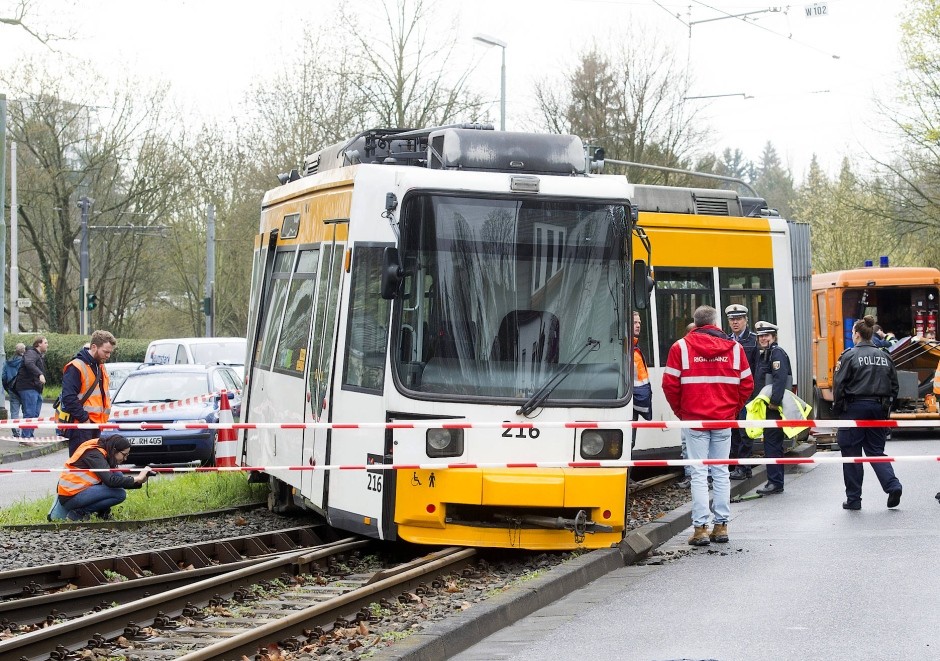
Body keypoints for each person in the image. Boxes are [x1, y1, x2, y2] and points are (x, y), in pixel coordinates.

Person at [663, 305, 753, 546]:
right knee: (721, 472)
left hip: (694, 420)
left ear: (696, 322)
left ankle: (700, 528)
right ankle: (721, 526)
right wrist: (732, 410)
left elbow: (669, 385)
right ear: (716, 323)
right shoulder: (734, 348)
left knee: (699, 474)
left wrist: (682, 412)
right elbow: (747, 384)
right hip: (723, 420)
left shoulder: (680, 348)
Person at [832, 315, 902, 510]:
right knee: (876, 452)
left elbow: (839, 385)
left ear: (856, 335)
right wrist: (886, 410)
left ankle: (854, 500)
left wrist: (838, 410)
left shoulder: (849, 355)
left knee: (852, 454)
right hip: (878, 409)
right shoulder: (885, 355)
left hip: (853, 409)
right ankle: (892, 485)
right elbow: (894, 386)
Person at [50, 435, 152, 521]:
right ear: (114, 450)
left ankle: (102, 513)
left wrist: (139, 481)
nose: (125, 459)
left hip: (76, 491)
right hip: (71, 497)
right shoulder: (94, 453)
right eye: (124, 455)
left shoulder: (103, 449)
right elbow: (110, 481)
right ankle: (79, 513)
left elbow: (113, 479)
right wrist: (137, 478)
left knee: (118, 475)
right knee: (119, 494)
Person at [59, 330, 116, 455]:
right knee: (80, 463)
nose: (108, 356)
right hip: (82, 425)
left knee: (92, 464)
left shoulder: (99, 366)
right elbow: (68, 398)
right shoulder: (76, 366)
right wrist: (84, 418)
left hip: (96, 424)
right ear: (94, 347)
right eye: (105, 352)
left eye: (110, 353)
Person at [752, 321, 792, 495]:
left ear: (773, 337)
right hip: (768, 407)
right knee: (771, 443)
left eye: (766, 335)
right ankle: (775, 481)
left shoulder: (776, 354)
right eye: (760, 336)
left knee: (772, 445)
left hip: (773, 408)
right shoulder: (767, 353)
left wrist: (774, 402)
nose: (762, 338)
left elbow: (779, 379)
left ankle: (775, 482)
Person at [724, 304, 760, 481]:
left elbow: (757, 369)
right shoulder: (725, 340)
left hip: (747, 393)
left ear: (746, 320)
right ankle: (735, 464)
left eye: (738, 319)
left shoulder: (754, 340)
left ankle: (744, 466)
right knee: (733, 431)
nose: (735, 322)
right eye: (732, 319)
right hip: (730, 394)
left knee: (745, 431)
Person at [14, 336, 48, 439]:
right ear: (39, 344)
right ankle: (25, 438)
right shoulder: (31, 353)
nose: (47, 345)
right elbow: (29, 363)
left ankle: (30, 436)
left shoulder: (38, 355)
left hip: (35, 388)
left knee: (35, 414)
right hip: (28, 387)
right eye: (45, 343)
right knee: (30, 413)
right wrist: (39, 374)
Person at [631, 311, 653, 450]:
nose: (638, 325)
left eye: (639, 322)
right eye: (634, 322)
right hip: (630, 402)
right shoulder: (628, 349)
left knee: (631, 442)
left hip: (634, 402)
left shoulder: (635, 348)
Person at [2, 343, 27, 438]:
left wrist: (8, 388)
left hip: (12, 389)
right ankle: (25, 432)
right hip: (24, 389)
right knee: (26, 411)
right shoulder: (25, 361)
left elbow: (3, 377)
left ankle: (15, 432)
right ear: (24, 350)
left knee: (14, 411)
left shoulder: (8, 362)